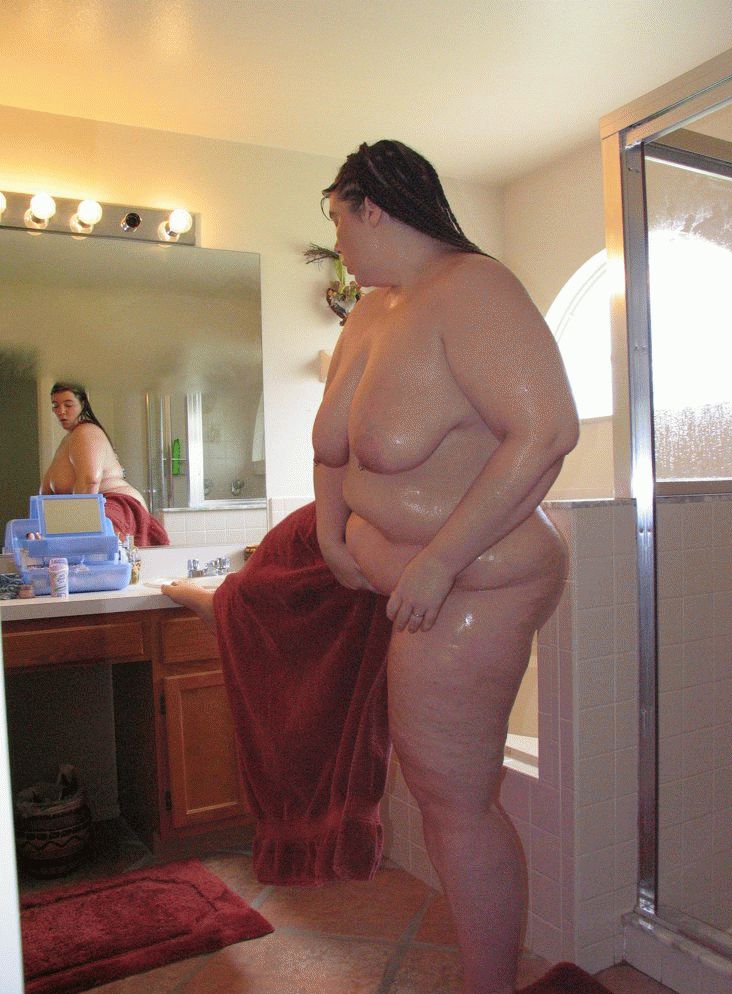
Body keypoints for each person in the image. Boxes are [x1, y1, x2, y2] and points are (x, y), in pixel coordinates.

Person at [165, 139, 578, 994]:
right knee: (437, 794)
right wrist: (329, 534)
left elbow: (546, 433)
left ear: (372, 207)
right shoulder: (371, 313)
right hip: (401, 579)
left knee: (454, 800)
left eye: (339, 223)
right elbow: (333, 447)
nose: (339, 245)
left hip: (477, 580)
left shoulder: (475, 290)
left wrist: (438, 563)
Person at [41, 381, 169, 546]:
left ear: (83, 404)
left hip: (115, 506)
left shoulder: (86, 432)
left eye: (68, 405)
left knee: (100, 551)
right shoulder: (69, 438)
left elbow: (90, 480)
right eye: (55, 405)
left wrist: (77, 526)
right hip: (89, 509)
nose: (61, 411)